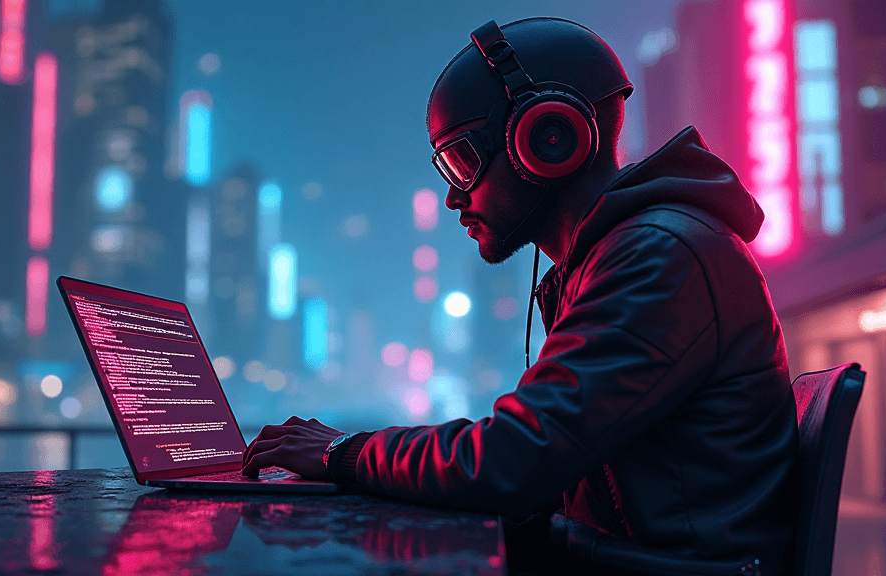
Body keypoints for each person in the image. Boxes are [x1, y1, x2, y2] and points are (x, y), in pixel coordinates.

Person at [241, 17, 798, 574]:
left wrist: (342, 453)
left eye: (462, 161)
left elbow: (513, 461)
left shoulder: (658, 257)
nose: (454, 198)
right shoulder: (636, 252)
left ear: (546, 139)